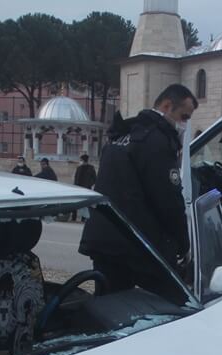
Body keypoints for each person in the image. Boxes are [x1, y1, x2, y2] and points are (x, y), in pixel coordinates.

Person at [79, 84, 197, 297]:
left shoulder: (124, 133)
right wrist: (183, 244)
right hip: (134, 243)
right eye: (184, 117)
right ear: (167, 105)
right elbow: (168, 201)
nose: (184, 124)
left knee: (109, 310)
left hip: (105, 238)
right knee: (177, 302)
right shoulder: (157, 141)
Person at [69, 154, 97, 221]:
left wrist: (89, 184)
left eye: (81, 160)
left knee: (85, 205)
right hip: (78, 188)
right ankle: (74, 217)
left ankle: (83, 218)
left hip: (86, 189)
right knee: (76, 203)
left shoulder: (91, 168)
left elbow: (95, 179)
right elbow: (76, 178)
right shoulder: (79, 168)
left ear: (83, 160)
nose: (80, 161)